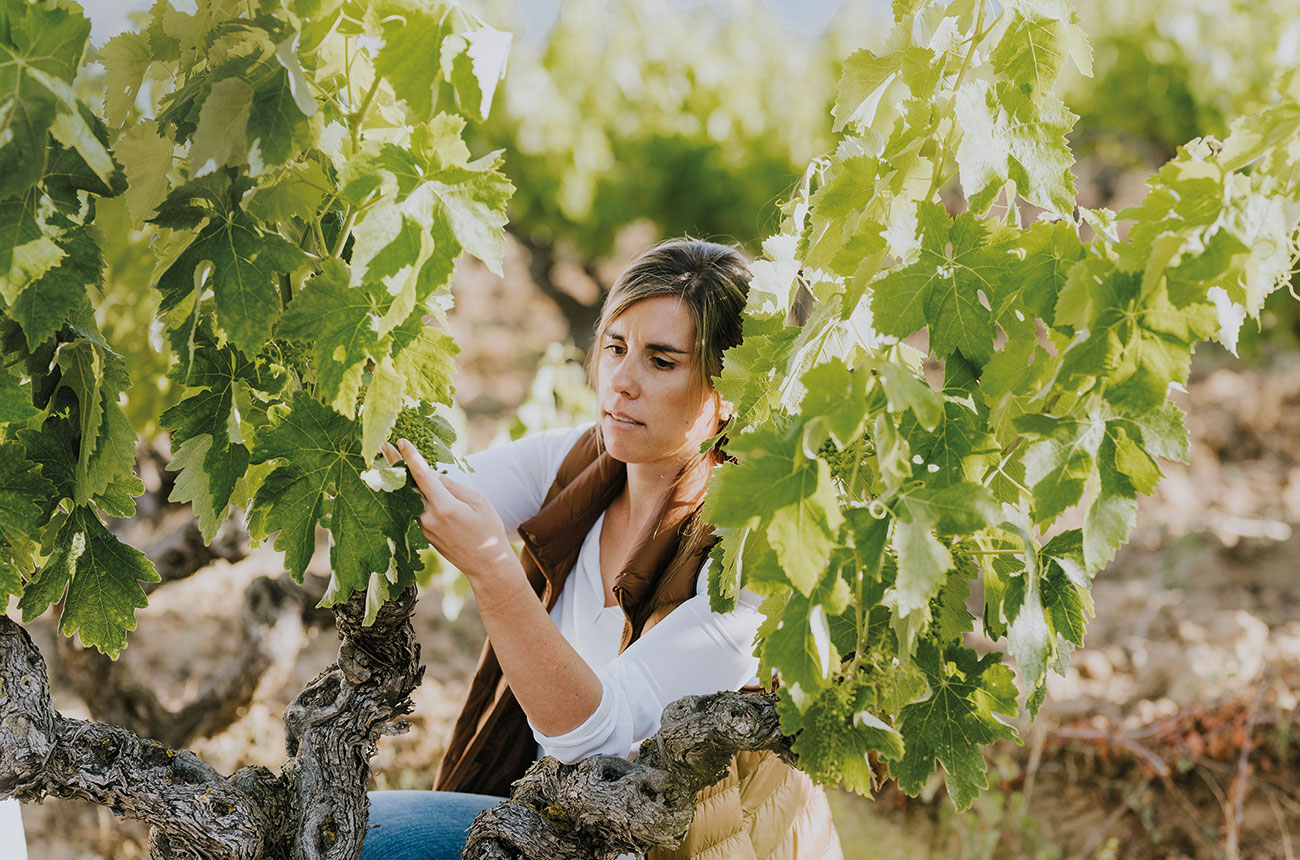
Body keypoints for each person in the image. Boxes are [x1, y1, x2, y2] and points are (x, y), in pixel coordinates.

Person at [362, 239, 842, 860]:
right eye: (616, 348)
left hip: (674, 847)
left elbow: (597, 738)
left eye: (661, 362)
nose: (622, 380)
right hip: (565, 822)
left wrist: (491, 568)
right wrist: (364, 383)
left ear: (731, 392)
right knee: (338, 829)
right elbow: (422, 491)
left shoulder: (754, 551)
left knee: (368, 835)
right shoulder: (578, 463)